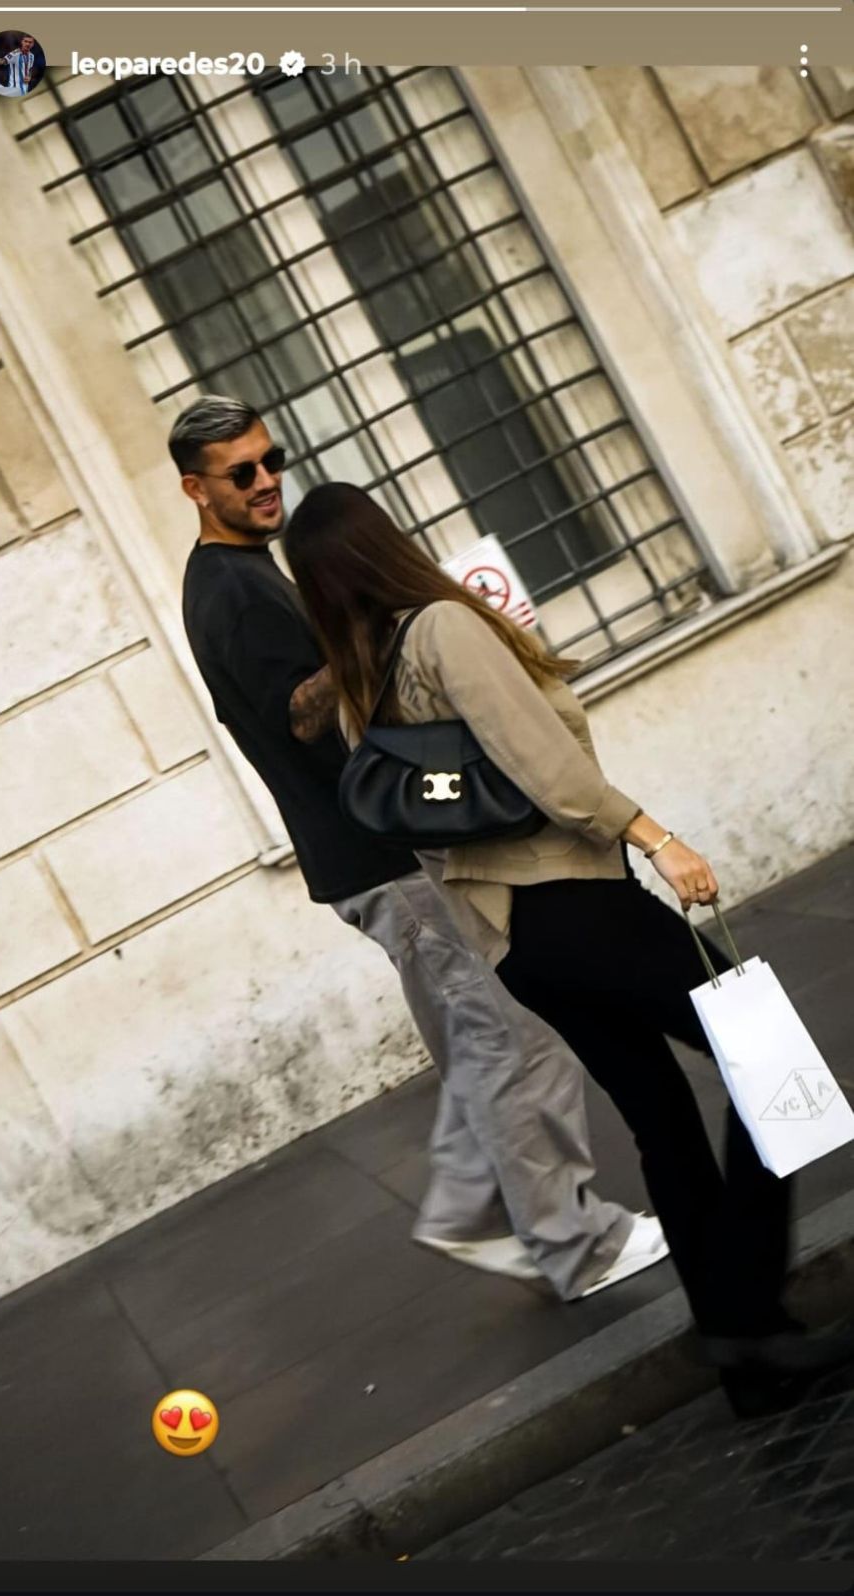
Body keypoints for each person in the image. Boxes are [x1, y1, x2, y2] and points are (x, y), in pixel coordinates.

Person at [283, 479, 854, 1416]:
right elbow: (545, 767)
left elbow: (433, 832)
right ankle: (752, 1314)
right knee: (769, 1056)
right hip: (578, 900)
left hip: (514, 941)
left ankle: (743, 1357)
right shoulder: (442, 628)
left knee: (661, 1118)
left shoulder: (359, 695)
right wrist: (657, 838)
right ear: (389, 547)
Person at [172, 394, 668, 1300]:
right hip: (385, 857)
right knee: (513, 1035)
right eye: (240, 473)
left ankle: (474, 1213)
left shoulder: (244, 572)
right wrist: (371, 630)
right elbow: (297, 714)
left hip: (373, 857)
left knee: (480, 1037)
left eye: (272, 460)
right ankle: (573, 1245)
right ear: (195, 489)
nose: (266, 482)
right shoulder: (233, 590)